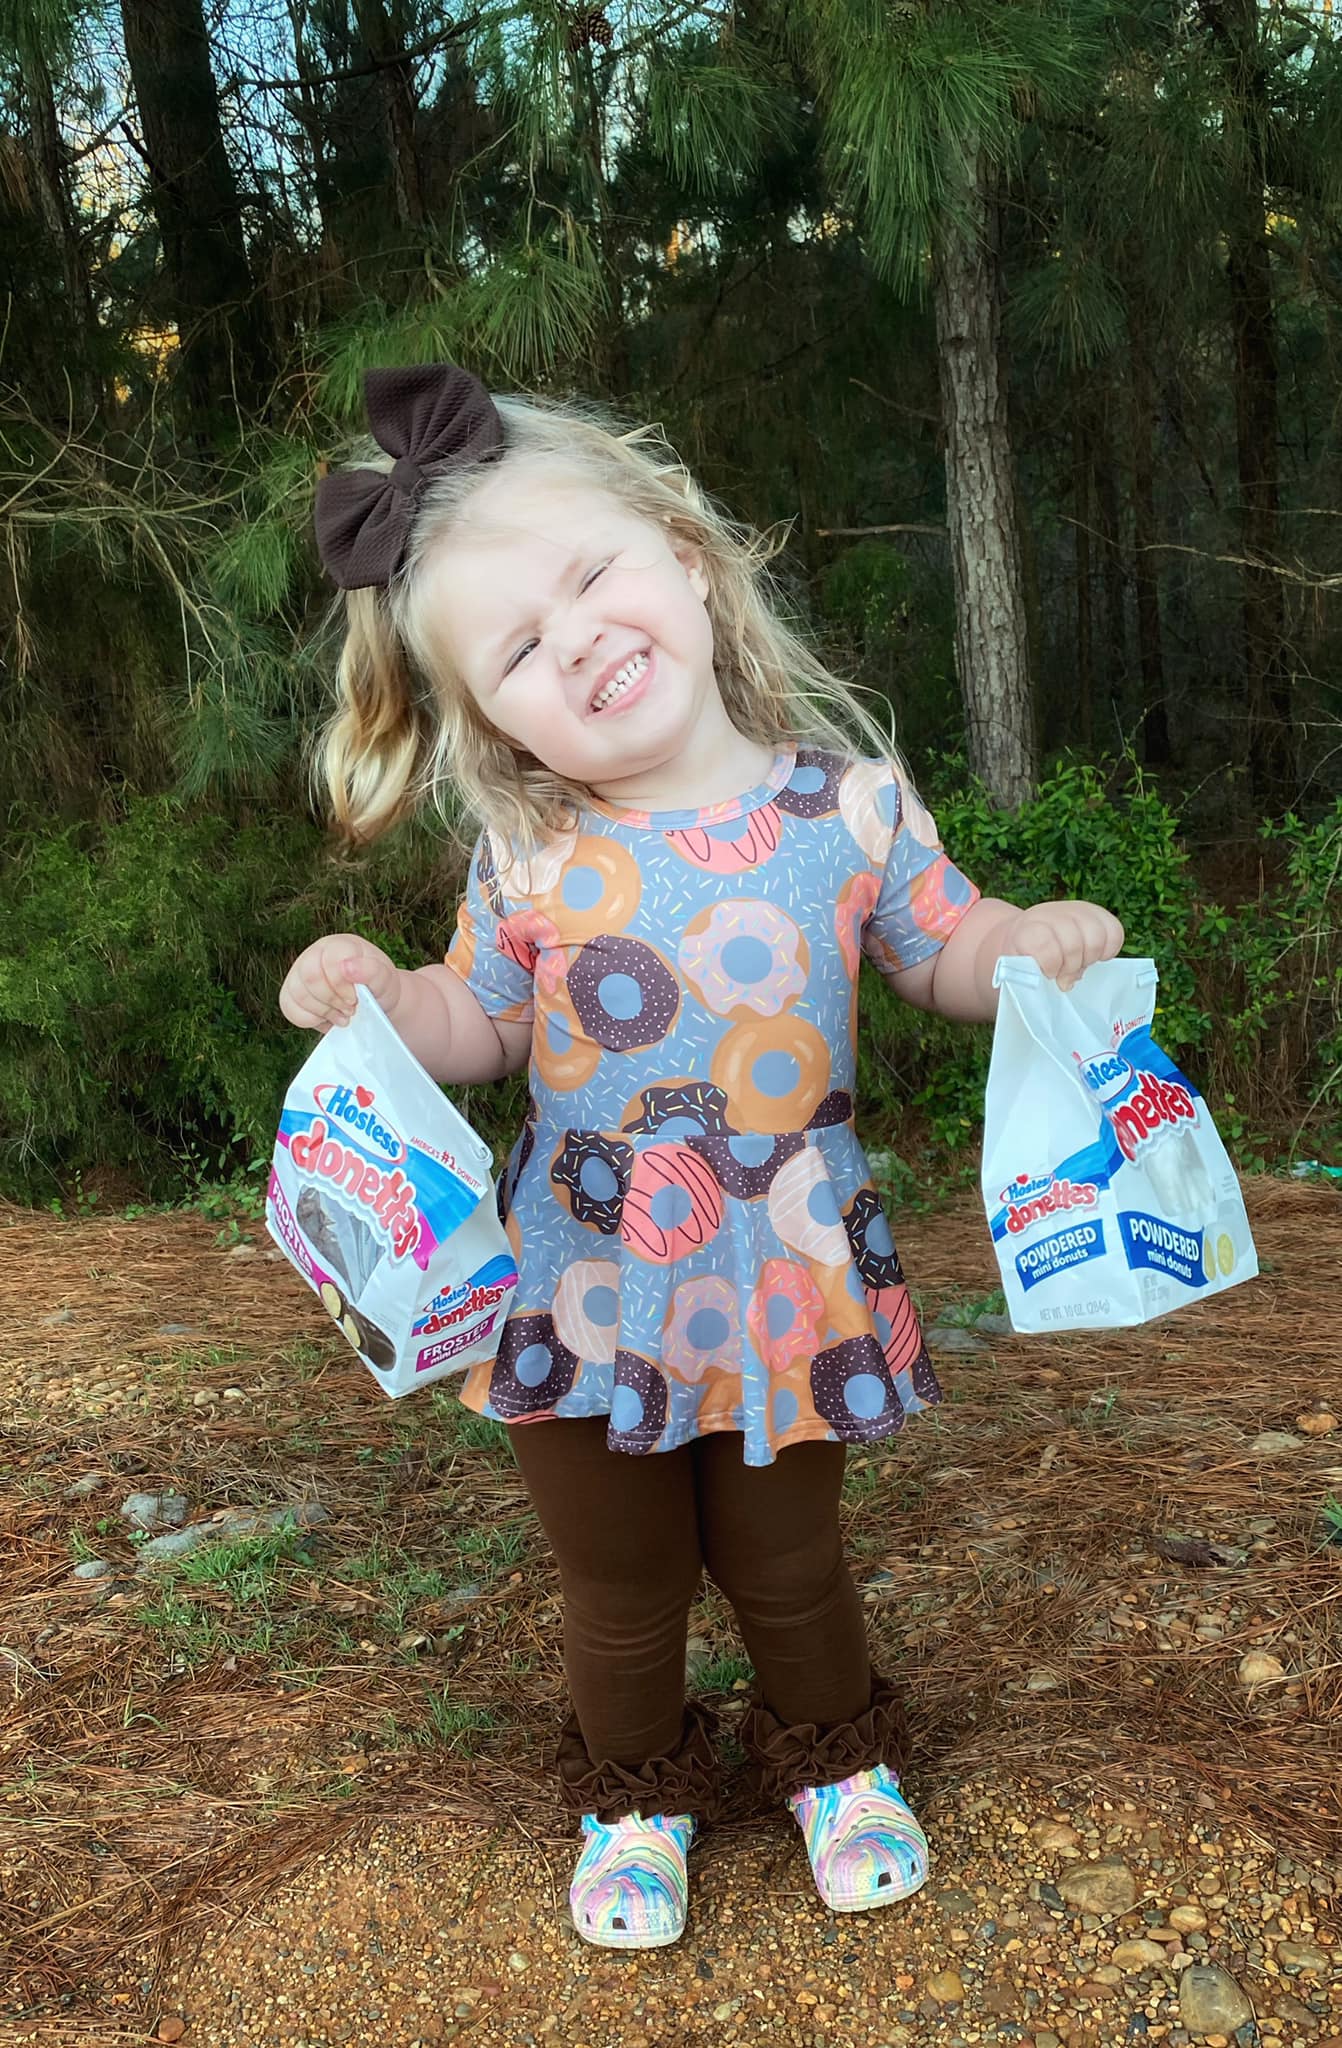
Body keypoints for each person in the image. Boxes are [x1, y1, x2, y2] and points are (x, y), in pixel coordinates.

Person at [279, 363, 1123, 1951]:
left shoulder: (848, 807)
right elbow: (484, 1023)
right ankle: (635, 1794)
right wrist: (389, 1001)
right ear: (484, 716)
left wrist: (1024, 941)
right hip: (584, 1280)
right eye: (518, 647)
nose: (577, 636)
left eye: (589, 575)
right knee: (619, 1582)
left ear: (685, 549)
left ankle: (833, 1762)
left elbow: (940, 951)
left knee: (790, 1562)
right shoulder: (528, 853)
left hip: (786, 1273)